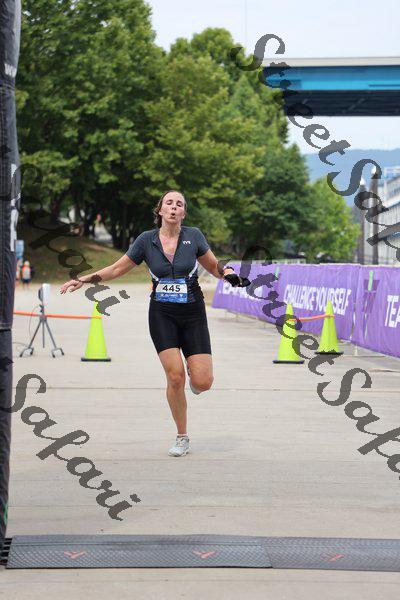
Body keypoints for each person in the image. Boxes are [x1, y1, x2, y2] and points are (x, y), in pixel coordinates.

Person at [60, 191, 249, 457]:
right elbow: (116, 269)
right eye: (169, 203)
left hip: (193, 314)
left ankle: (195, 375)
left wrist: (229, 274)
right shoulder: (146, 240)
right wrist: (83, 280)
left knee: (203, 382)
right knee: (175, 377)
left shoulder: (194, 236)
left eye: (179, 204)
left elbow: (215, 266)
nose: (174, 207)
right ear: (160, 210)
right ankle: (182, 436)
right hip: (162, 315)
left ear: (183, 213)